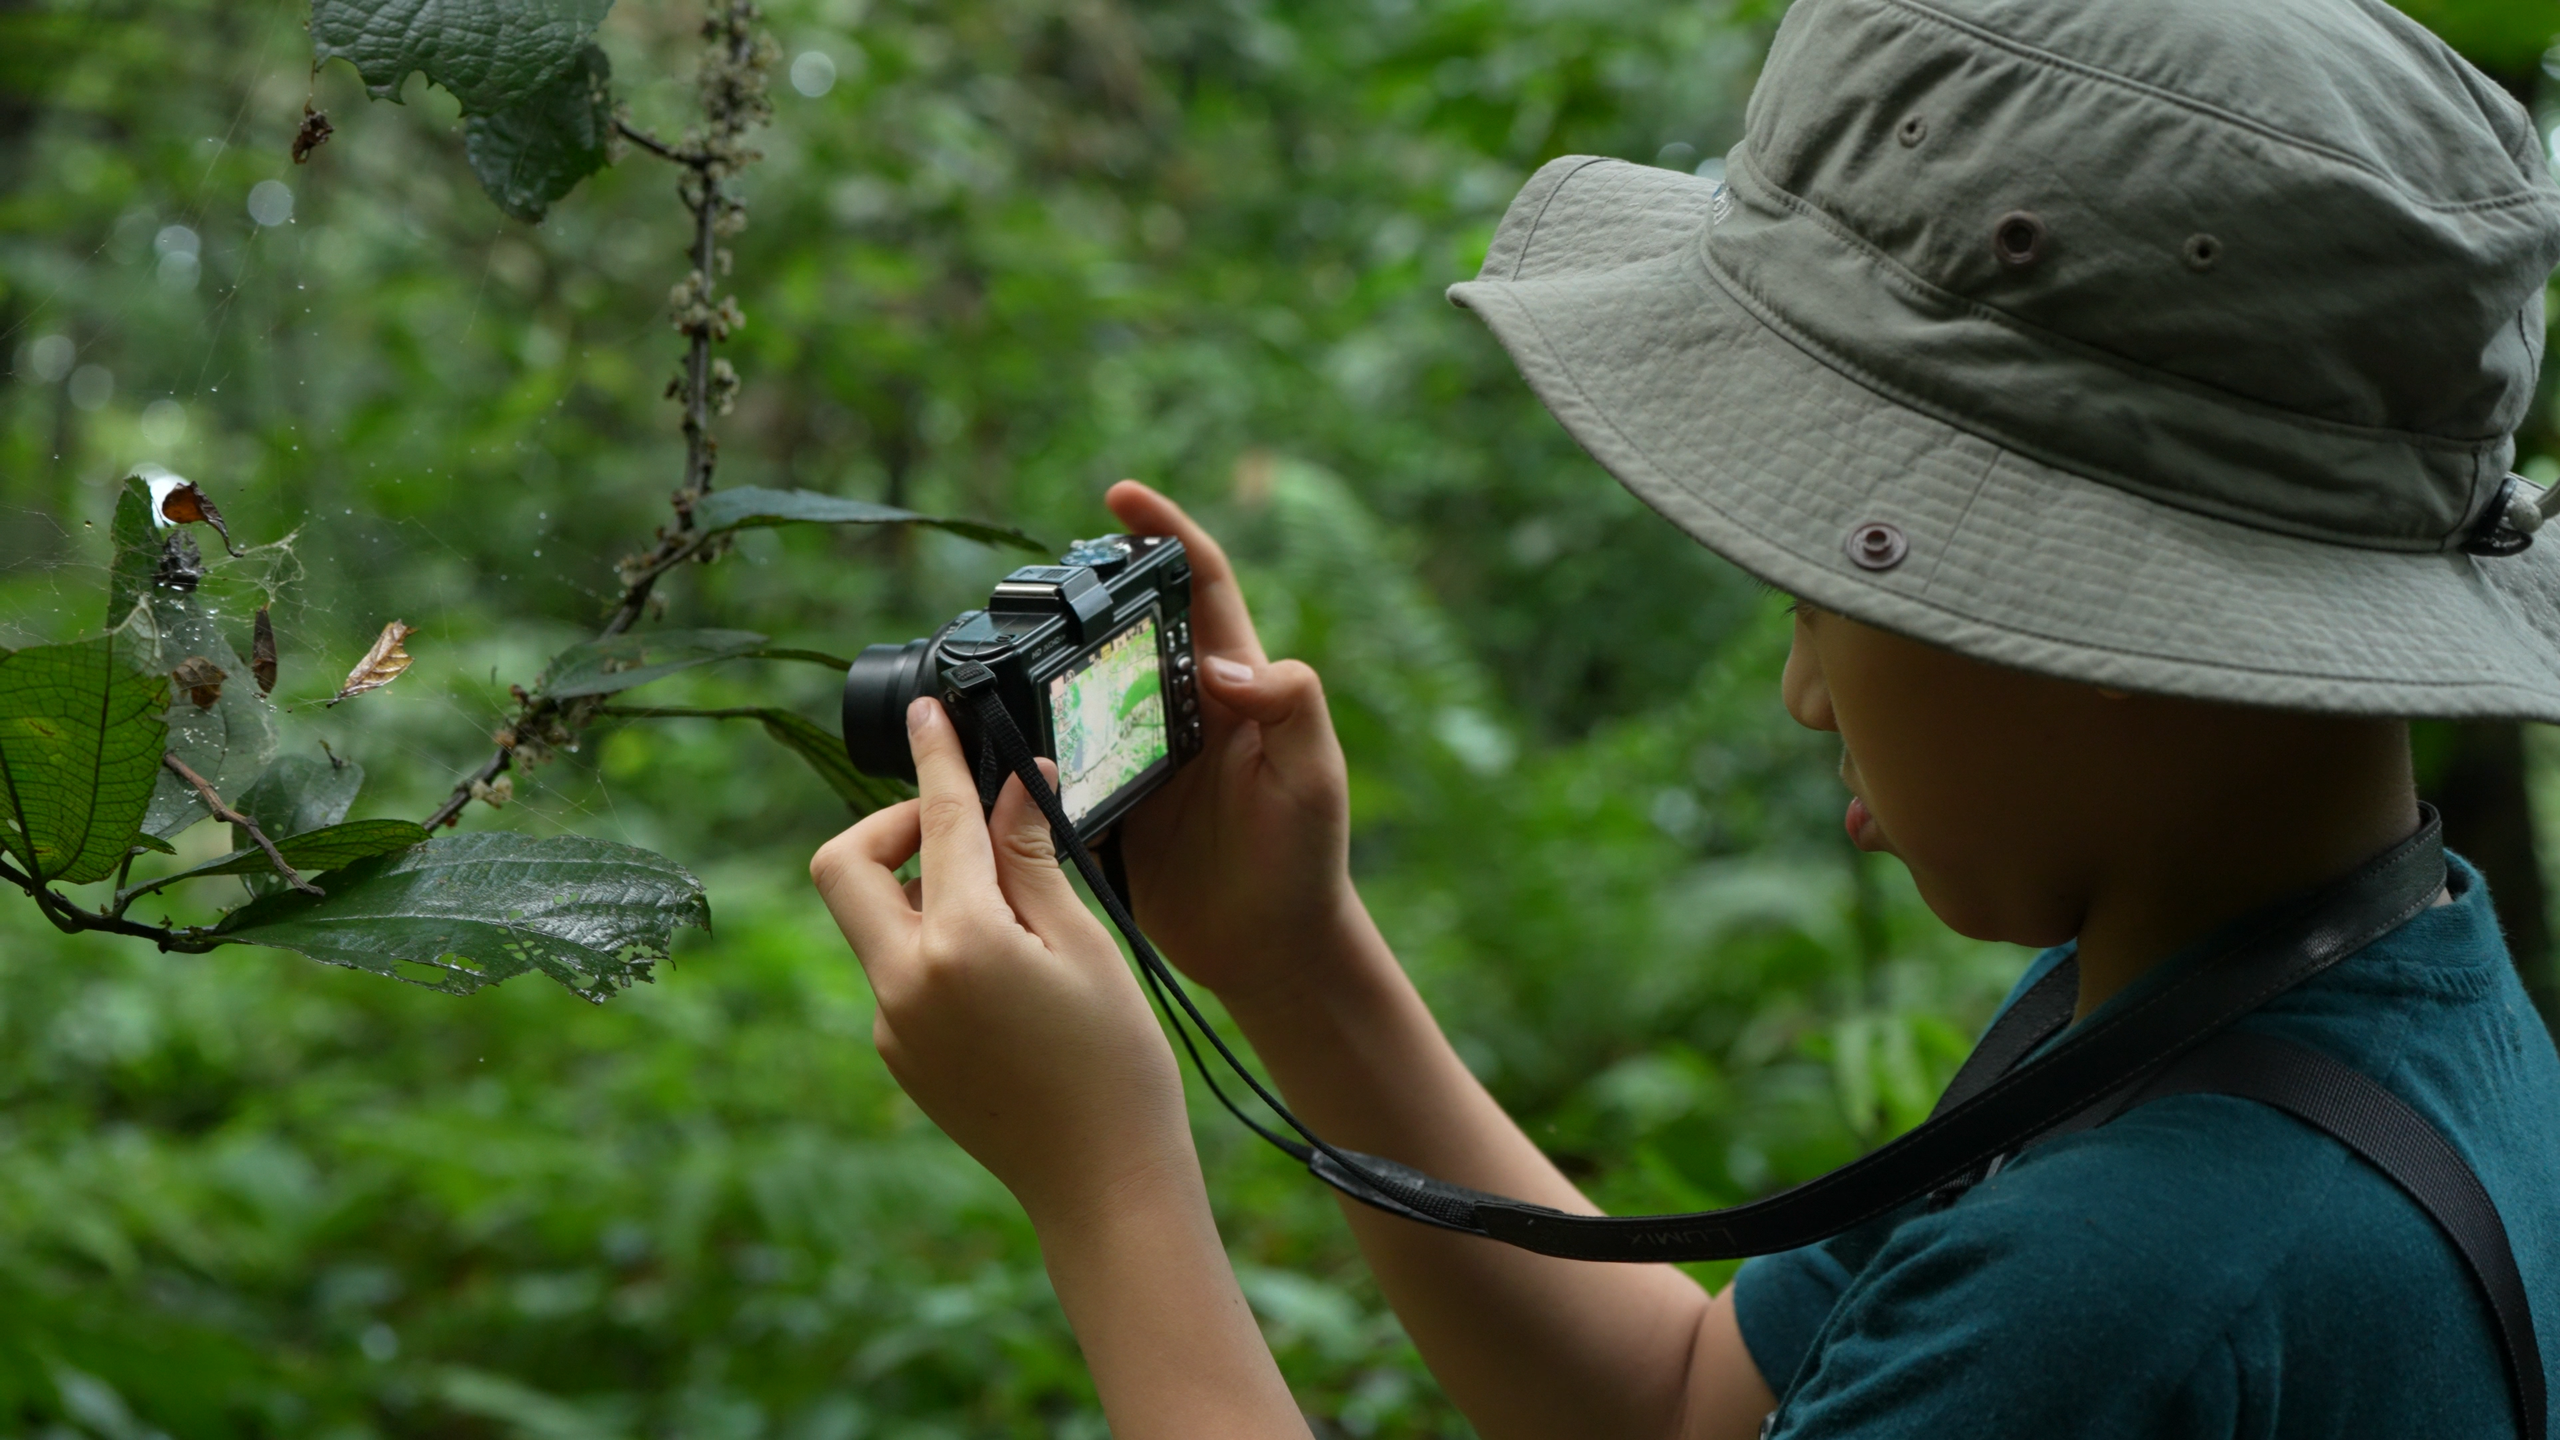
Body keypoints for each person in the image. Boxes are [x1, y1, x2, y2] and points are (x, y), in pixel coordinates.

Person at [807, 0, 2560, 1433]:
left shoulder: (2124, 1295)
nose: (1805, 692)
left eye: (1825, 597)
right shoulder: (2328, 992)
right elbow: (1686, 1404)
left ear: (2087, 613)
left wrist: (1109, 1188)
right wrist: (1296, 955)